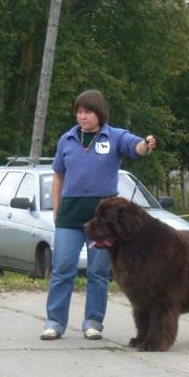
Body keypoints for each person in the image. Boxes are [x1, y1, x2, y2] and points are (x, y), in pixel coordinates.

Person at [41, 89, 157, 341]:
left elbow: (136, 147)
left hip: (104, 222)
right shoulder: (67, 139)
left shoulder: (114, 136)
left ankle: (93, 322)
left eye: (88, 112)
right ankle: (54, 322)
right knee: (62, 268)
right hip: (70, 217)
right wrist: (56, 207)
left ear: (99, 113)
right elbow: (59, 175)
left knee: (97, 272)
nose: (82, 117)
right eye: (79, 112)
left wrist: (145, 145)